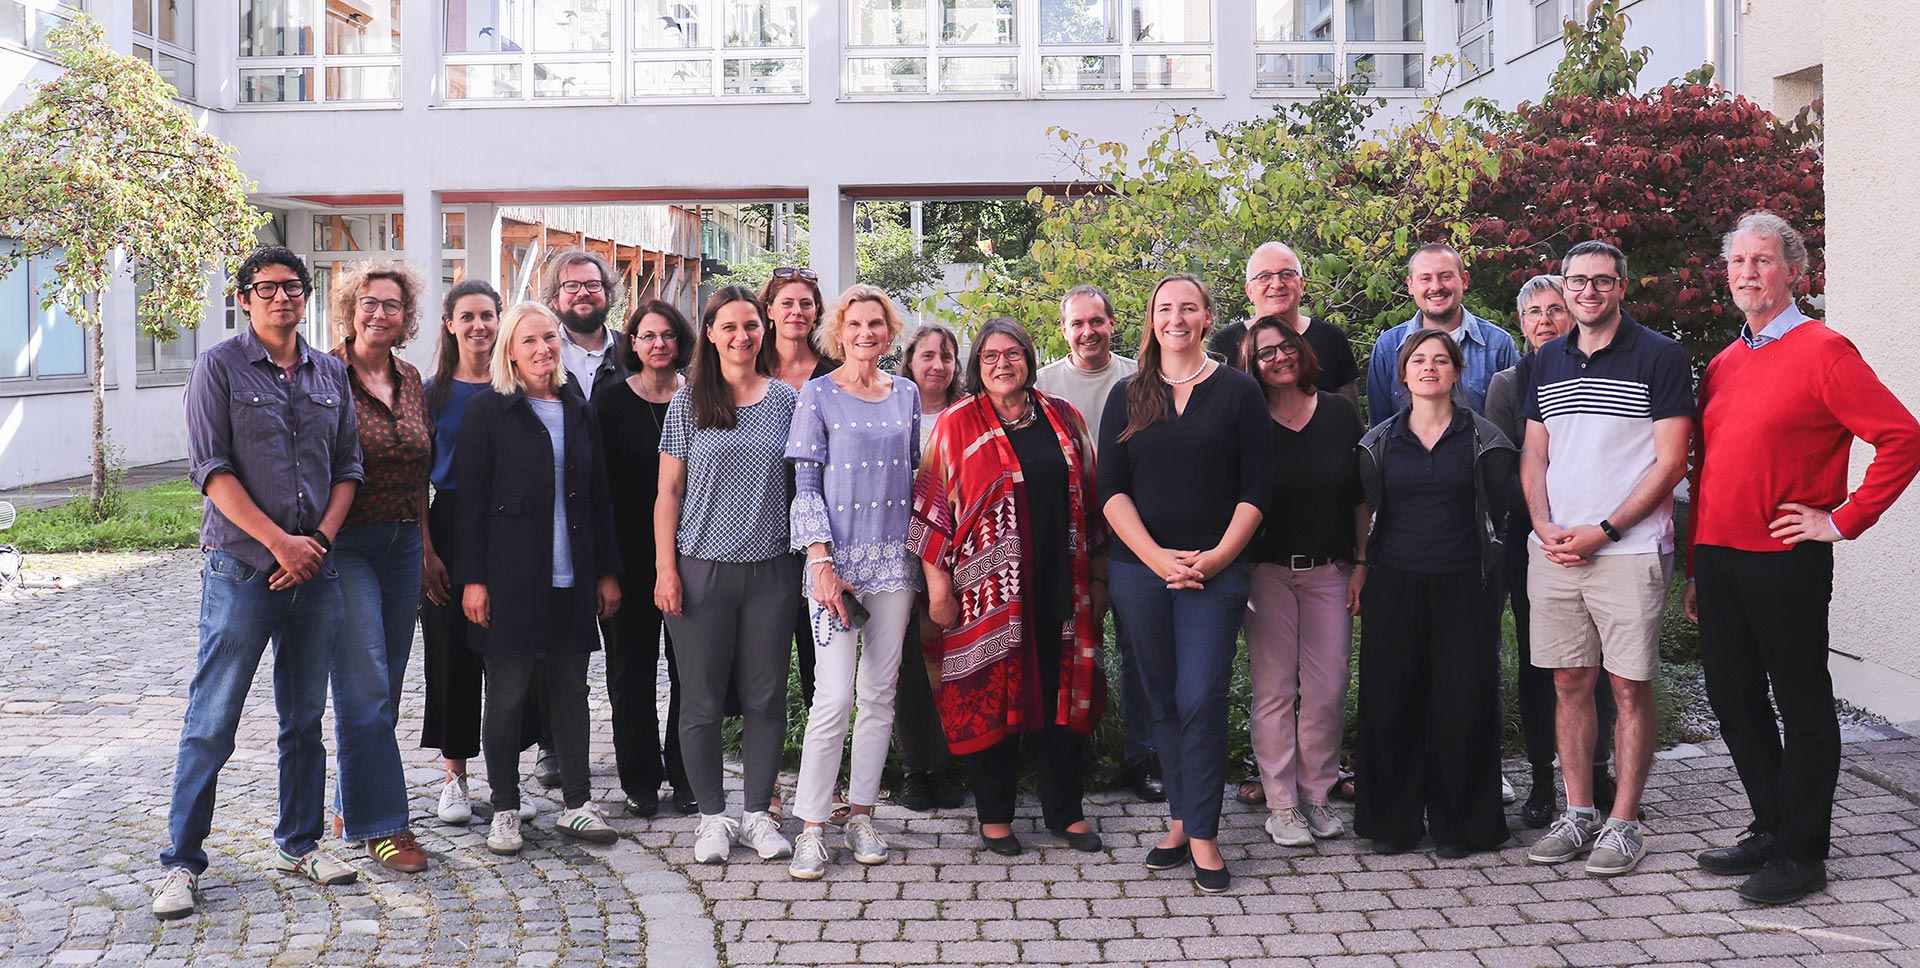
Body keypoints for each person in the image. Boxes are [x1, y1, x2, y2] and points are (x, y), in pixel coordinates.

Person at [1686, 212, 1920, 904]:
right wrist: (1696, 567)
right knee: (1734, 701)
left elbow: (1903, 438)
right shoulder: (1724, 364)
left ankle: (1803, 853)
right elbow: (1710, 471)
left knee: (1803, 705)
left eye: (1762, 260)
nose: (1748, 273)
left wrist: (1842, 520)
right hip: (1720, 560)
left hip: (1785, 559)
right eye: (1738, 262)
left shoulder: (1825, 351)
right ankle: (1772, 825)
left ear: (1793, 271)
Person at [154, 246, 364, 921]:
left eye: (292, 287)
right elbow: (210, 470)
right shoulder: (217, 368)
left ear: (306, 295)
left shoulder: (330, 373)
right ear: (243, 298)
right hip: (243, 570)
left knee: (304, 719)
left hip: (315, 572)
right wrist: (280, 544)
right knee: (212, 720)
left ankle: (299, 843)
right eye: (266, 288)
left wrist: (316, 544)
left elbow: (348, 468)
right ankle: (182, 862)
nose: (281, 298)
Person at [1521, 240, 1694, 878]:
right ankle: (1578, 813)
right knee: (1569, 681)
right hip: (1555, 549)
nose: (1588, 291)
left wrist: (1605, 530)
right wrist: (1542, 524)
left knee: (1627, 686)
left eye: (1601, 280)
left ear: (1622, 286)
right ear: (1564, 287)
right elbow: (1534, 453)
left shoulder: (1660, 355)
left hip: (1629, 549)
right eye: (1577, 280)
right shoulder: (1547, 359)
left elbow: (1671, 461)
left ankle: (1624, 823)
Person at [1100, 274, 1276, 893]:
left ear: (1206, 317)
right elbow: (1110, 490)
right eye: (1164, 309)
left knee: (1201, 695)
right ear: (1151, 320)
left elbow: (1258, 486)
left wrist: (1220, 557)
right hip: (1140, 572)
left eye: (1188, 308)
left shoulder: (1239, 391)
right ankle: (1181, 821)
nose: (1175, 318)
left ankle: (1204, 834)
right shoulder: (1127, 393)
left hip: (1215, 573)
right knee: (1162, 699)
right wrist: (1155, 559)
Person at [910, 318, 1108, 858]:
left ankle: (1066, 812)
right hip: (985, 596)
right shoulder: (955, 424)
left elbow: (1093, 501)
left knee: (1062, 698)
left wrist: (1099, 578)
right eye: (991, 355)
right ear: (977, 364)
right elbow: (930, 514)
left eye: (1013, 353)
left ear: (1029, 358)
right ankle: (995, 816)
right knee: (990, 695)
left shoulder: (1063, 417)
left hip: (1062, 583)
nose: (1003, 363)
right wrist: (939, 590)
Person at [454, 302, 624, 857]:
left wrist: (606, 572)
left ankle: (576, 803)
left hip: (572, 575)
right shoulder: (487, 411)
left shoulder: (578, 408)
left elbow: (600, 497)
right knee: (506, 695)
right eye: (528, 340)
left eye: (549, 337)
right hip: (509, 578)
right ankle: (505, 807)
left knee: (571, 691)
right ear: (509, 350)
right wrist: (473, 580)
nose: (542, 348)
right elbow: (470, 503)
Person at [1352, 328, 1515, 859]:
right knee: (1391, 701)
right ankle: (1393, 823)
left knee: (1462, 701)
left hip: (1465, 584)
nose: (1429, 368)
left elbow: (1501, 511)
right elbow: (1366, 509)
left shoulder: (1486, 439)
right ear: (1402, 374)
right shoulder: (1378, 442)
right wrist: (1361, 568)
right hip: (1393, 583)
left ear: (1457, 371)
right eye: (1418, 360)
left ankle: (1462, 826)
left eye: (1440, 360)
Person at [656, 286, 801, 865]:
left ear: (764, 331)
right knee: (701, 700)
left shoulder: (786, 401)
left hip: (772, 570)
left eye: (751, 325)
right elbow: (668, 492)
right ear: (711, 334)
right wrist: (665, 569)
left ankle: (758, 814)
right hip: (701, 570)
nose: (742, 336)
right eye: (730, 327)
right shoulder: (688, 401)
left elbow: (804, 486)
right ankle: (713, 818)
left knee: (766, 698)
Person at [785, 285, 922, 879]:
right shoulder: (816, 395)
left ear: (889, 333)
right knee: (833, 695)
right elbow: (805, 484)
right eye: (855, 324)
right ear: (838, 333)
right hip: (834, 566)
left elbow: (914, 472)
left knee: (880, 692)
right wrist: (820, 562)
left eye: (876, 324)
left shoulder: (906, 394)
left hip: (894, 564)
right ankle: (812, 826)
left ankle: (862, 813)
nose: (866, 333)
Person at [1484, 276, 1618, 829]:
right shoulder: (1508, 384)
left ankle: (1598, 771)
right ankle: (1543, 778)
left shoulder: (1604, 372)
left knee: (1600, 662)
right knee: (1544, 660)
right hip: (1532, 539)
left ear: (1574, 316)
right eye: (1534, 312)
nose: (1545, 320)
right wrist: (1549, 522)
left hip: (1601, 534)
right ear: (1521, 323)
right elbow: (1501, 468)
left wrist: (1592, 525)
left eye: (1556, 309)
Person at [1238, 316, 1366, 848]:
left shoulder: (1338, 413)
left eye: (1286, 347)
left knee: (1328, 687)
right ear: (1252, 365)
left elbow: (1360, 495)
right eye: (1265, 353)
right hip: (1265, 572)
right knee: (1273, 690)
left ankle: (1315, 794)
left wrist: (1362, 563)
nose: (1279, 358)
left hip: (1330, 571)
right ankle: (1282, 805)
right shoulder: (1247, 420)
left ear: (1302, 349)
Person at [1034, 284, 1163, 804]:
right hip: (1062, 537)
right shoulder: (1042, 383)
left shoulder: (1141, 378)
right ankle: (1068, 754)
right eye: (1077, 323)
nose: (1088, 332)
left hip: (1132, 535)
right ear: (1063, 330)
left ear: (1113, 324)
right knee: (1065, 649)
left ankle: (1142, 755)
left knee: (1139, 647)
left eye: (1096, 321)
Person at [323, 261, 431, 874]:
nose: (379, 313)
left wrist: (428, 549)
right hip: (347, 545)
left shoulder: (410, 379)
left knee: (384, 687)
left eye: (392, 304)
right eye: (369, 302)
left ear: (405, 316)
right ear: (350, 309)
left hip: (404, 544)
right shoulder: (323, 374)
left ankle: (350, 801)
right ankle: (384, 826)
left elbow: (420, 473)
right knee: (363, 686)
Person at [421, 280, 541, 827]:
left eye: (488, 315)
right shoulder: (432, 394)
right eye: (467, 316)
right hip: (449, 523)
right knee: (452, 653)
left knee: (515, 653)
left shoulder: (519, 390)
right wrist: (426, 550)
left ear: (500, 321)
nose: (478, 325)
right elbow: (416, 478)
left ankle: (508, 779)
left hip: (513, 526)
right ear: (450, 324)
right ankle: (455, 776)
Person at [593, 299, 698, 819]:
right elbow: (596, 492)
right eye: (647, 335)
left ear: (681, 342)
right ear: (631, 343)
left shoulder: (700, 400)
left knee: (690, 673)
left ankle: (687, 776)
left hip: (692, 556)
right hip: (627, 559)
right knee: (630, 673)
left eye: (667, 335)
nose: (658, 344)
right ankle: (639, 780)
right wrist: (605, 571)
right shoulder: (609, 403)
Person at [761, 267, 837, 813]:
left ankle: (825, 788)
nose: (796, 312)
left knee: (821, 669)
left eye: (806, 304)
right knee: (763, 666)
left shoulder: (835, 372)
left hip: (824, 537)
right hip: (761, 533)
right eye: (786, 303)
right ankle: (762, 788)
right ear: (769, 311)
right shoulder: (746, 367)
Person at [888, 323, 967, 813]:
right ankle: (915, 770)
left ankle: (948, 765)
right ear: (910, 361)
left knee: (953, 663)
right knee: (909, 668)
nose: (938, 365)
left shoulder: (969, 414)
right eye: (928, 355)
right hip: (899, 554)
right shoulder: (893, 409)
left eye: (947, 356)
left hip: (958, 558)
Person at [1365, 243, 1519, 426]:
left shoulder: (1498, 345)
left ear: (1464, 280)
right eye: (1425, 279)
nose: (1436, 287)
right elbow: (1379, 429)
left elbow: (1516, 427)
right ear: (1411, 286)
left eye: (1445, 276)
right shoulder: (1388, 348)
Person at [1209, 241, 1362, 406]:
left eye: (1286, 274)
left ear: (1301, 285)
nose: (1277, 285)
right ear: (1250, 291)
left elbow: (1350, 414)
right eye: (1264, 277)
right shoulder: (1224, 345)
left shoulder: (1331, 338)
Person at [549, 251, 630, 403]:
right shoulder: (541, 356)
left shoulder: (633, 352)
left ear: (607, 295)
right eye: (571, 285)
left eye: (593, 285)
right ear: (555, 301)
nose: (583, 293)